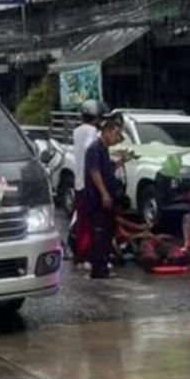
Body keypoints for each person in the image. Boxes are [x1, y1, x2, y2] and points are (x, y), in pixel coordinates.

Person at [84, 115, 124, 279]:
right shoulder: (95, 148)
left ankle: (103, 266)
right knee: (100, 234)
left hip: (106, 199)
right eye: (115, 134)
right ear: (106, 132)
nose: (117, 138)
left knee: (107, 233)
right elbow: (95, 173)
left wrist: (119, 163)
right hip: (97, 199)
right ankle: (98, 269)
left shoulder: (104, 150)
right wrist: (104, 193)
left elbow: (106, 169)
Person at [70, 100, 101, 265]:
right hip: (89, 184)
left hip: (79, 182)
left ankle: (80, 253)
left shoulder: (77, 131)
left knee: (82, 221)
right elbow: (91, 152)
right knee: (91, 222)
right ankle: (86, 253)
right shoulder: (92, 132)